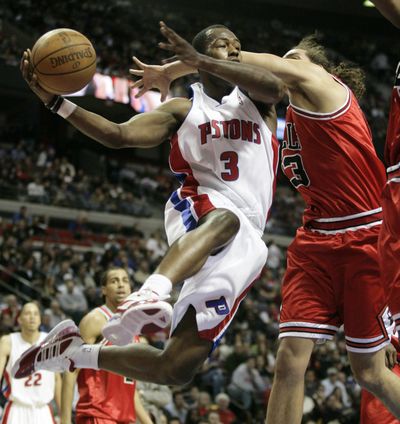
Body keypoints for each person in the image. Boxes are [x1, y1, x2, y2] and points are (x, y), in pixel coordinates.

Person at [131, 29, 400, 422]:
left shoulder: (326, 88)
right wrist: (176, 70)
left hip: (364, 234)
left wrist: (188, 63)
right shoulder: (287, 113)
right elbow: (248, 71)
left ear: (320, 70)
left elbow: (266, 67)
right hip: (315, 240)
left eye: (295, 58)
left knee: (370, 372)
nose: (287, 62)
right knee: (289, 361)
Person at [13, 22, 284, 390]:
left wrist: (198, 59)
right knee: (226, 219)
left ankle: (73, 353)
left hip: (249, 241)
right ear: (201, 58)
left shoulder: (259, 102)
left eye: (237, 44)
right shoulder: (182, 109)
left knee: (176, 368)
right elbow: (119, 134)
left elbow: (276, 86)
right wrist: (56, 102)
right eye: (223, 45)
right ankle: (152, 291)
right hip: (202, 207)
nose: (235, 49)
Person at [61, 267, 152, 424]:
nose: (121, 285)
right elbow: (70, 371)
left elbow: (129, 387)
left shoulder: (132, 327)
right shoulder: (95, 320)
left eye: (125, 280)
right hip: (97, 415)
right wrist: (65, 421)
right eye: (114, 281)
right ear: (104, 290)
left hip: (123, 418)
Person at [0, 302, 61, 423]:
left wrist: (63, 413)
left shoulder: (51, 342)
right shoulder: (8, 341)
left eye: (36, 314)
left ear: (40, 320)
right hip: (17, 410)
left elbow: (57, 379)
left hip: (43, 410)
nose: (32, 317)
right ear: (19, 319)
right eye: (27, 313)